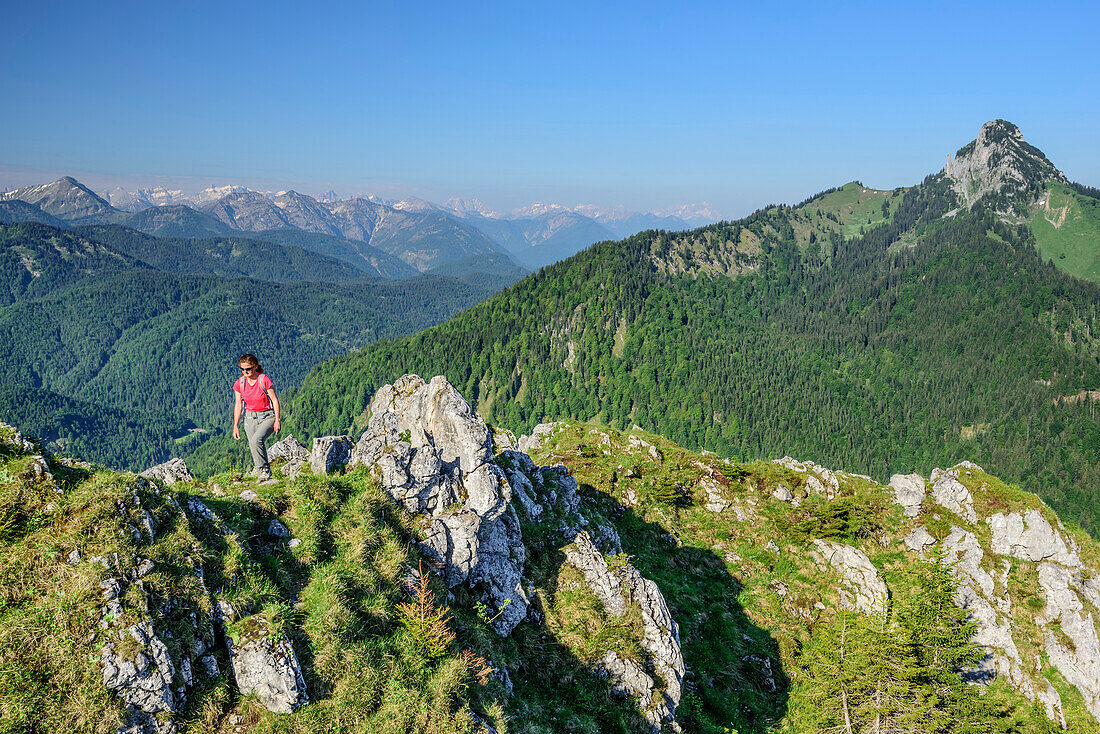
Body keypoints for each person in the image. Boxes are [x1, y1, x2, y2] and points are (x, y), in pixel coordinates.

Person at [232, 353, 280, 480]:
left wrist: (277, 420)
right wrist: (235, 426)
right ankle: (261, 472)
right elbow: (238, 405)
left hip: (268, 416)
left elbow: (274, 400)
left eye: (248, 369)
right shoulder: (240, 383)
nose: (245, 372)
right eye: (242, 369)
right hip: (249, 418)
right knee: (254, 445)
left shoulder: (264, 380)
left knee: (256, 441)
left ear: (255, 367)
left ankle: (264, 471)